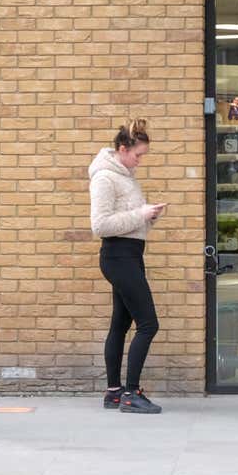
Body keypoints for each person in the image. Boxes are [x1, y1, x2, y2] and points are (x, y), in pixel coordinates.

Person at [88, 119, 166, 414]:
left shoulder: (125, 175)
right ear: (123, 149)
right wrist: (141, 213)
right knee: (148, 323)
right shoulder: (105, 178)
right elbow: (101, 225)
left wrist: (148, 216)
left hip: (130, 255)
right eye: (138, 155)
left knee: (120, 324)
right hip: (118, 257)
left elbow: (129, 218)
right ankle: (132, 393)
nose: (140, 161)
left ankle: (113, 393)